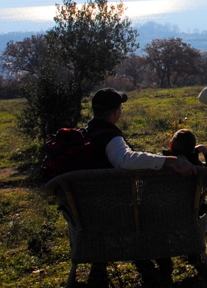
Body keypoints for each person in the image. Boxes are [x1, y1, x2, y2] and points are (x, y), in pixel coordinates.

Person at [84, 88, 195, 287]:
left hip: (90, 210)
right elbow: (125, 160)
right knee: (154, 212)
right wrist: (168, 161)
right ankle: (158, 263)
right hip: (117, 210)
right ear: (116, 112)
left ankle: (101, 268)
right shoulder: (110, 138)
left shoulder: (87, 133)